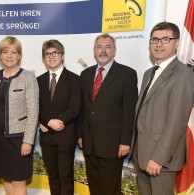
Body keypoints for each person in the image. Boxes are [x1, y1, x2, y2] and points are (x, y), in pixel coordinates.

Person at [131, 21, 194, 195]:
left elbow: (176, 123)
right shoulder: (148, 73)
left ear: (177, 43)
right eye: (154, 40)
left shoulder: (184, 75)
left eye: (165, 39)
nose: (159, 44)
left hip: (161, 161)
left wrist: (158, 159)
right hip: (141, 155)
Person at [78, 33, 138, 195]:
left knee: (110, 190)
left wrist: (125, 141)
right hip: (89, 144)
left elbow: (129, 111)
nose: (103, 51)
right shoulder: (85, 75)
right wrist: (80, 135)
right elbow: (83, 109)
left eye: (107, 47)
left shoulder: (127, 74)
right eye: (99, 47)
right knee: (95, 188)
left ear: (114, 51)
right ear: (94, 51)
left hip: (113, 145)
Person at [0, 36, 39, 195]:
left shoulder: (28, 77)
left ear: (19, 56)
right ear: (0, 56)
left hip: (19, 140)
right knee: (7, 179)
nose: (9, 56)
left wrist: (28, 141)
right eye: (5, 52)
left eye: (13, 52)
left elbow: (33, 111)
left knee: (18, 180)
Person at [37, 39, 81, 195]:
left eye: (55, 52)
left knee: (66, 177)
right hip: (47, 138)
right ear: (44, 58)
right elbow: (36, 107)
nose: (51, 56)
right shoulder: (38, 81)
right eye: (47, 54)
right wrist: (49, 122)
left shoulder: (75, 79)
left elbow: (75, 108)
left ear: (62, 56)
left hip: (65, 135)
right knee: (53, 177)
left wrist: (58, 122)